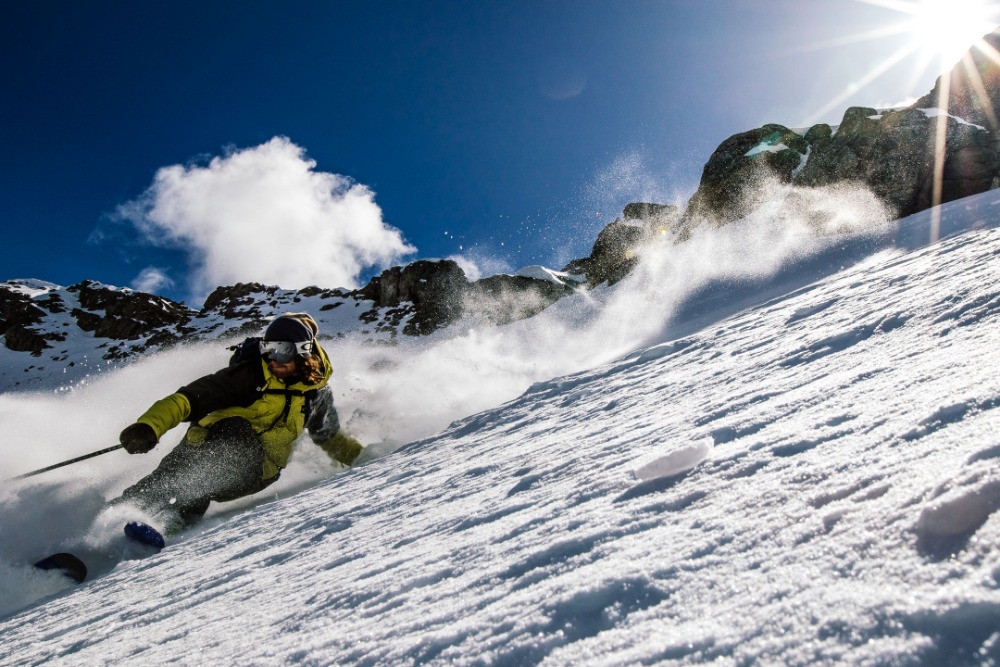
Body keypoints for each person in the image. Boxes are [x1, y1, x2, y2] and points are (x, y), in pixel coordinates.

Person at [114, 312, 363, 533]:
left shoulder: (315, 394)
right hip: (203, 449)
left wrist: (366, 460)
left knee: (225, 447)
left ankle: (174, 518)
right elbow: (187, 400)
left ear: (303, 351)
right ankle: (115, 518)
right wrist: (149, 426)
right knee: (174, 475)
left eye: (282, 350)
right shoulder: (249, 375)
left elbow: (329, 437)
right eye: (268, 349)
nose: (273, 359)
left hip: (256, 472)